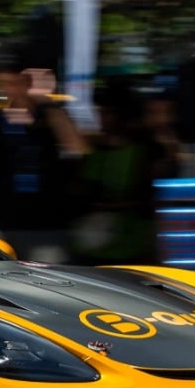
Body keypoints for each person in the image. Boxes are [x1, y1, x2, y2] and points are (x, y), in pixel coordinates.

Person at [0, 38, 87, 261]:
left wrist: (46, 102)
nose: (12, 91)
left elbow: (78, 148)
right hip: (2, 222)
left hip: (46, 224)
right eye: (4, 84)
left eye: (18, 82)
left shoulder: (51, 115)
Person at [70, 81, 163, 266]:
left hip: (131, 248)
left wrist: (113, 205)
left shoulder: (146, 151)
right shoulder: (94, 149)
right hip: (92, 247)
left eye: (106, 112)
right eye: (99, 111)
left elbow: (147, 199)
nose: (100, 117)